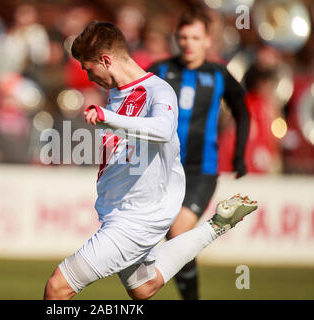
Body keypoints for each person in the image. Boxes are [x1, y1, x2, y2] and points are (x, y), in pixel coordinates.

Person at [43, 21, 257, 300]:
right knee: (143, 288)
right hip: (118, 212)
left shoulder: (159, 91)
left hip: (136, 219)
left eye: (88, 67)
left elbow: (162, 130)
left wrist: (109, 118)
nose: (87, 75)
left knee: (57, 288)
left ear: (106, 60)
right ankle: (217, 225)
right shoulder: (117, 93)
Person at [148, 9, 250, 300]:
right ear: (176, 39)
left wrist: (239, 154)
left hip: (201, 170)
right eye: (183, 37)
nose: (188, 43)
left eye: (195, 37)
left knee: (179, 233)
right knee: (173, 239)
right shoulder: (160, 70)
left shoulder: (217, 73)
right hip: (162, 169)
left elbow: (242, 110)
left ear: (208, 40)